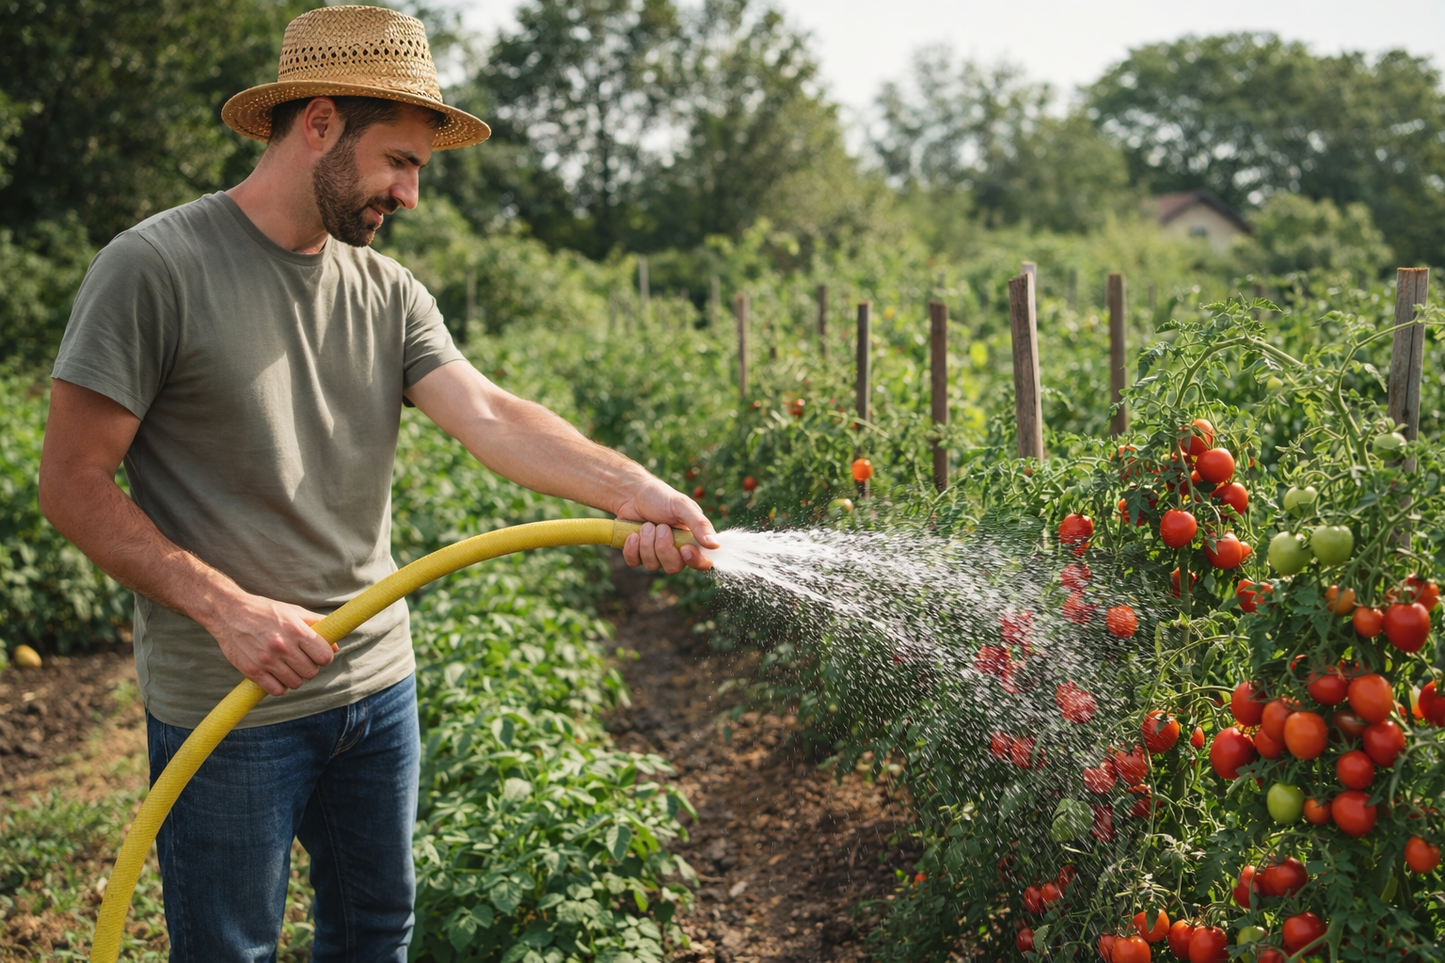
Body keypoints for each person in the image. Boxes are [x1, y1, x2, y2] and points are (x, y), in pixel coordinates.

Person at [36, 6, 716, 962]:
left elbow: (488, 415)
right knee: (229, 949)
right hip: (231, 699)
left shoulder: (385, 290)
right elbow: (70, 485)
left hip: (374, 686)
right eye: (398, 161)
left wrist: (633, 487)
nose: (409, 192)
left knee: (375, 933)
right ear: (319, 123)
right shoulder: (154, 269)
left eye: (418, 169)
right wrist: (228, 608)